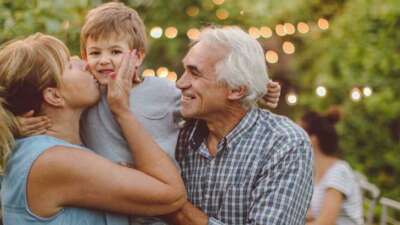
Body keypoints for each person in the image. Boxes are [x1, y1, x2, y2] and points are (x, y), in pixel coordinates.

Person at [16, 2, 282, 225]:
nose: (103, 60)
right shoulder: (90, 95)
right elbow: (38, 100)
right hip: (116, 203)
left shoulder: (160, 91)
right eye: (94, 53)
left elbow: (205, 100)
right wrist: (16, 123)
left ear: (138, 56)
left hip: (158, 208)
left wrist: (256, 90)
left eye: (115, 52)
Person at [0, 33, 187, 224]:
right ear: (54, 96)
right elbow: (171, 194)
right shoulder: (54, 160)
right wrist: (122, 111)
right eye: (69, 64)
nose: (86, 64)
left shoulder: (36, 150)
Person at [167, 27, 314, 225]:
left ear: (236, 89)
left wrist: (176, 209)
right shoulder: (179, 131)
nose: (179, 83)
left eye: (194, 73)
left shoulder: (285, 143)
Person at [300, 108, 363, 225]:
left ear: (313, 139)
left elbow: (325, 222)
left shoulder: (339, 171)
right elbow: (310, 215)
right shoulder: (316, 172)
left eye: (299, 133)